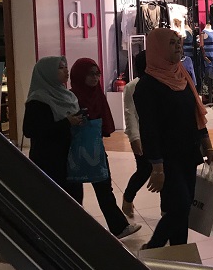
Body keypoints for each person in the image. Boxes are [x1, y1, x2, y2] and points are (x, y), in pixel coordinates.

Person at [134, 28, 213, 249]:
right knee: (179, 205)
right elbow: (148, 129)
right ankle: (154, 246)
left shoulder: (182, 76)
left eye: (178, 42)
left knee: (184, 206)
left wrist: (207, 146)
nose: (178, 46)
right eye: (172, 43)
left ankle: (179, 251)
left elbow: (195, 115)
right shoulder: (147, 86)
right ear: (157, 48)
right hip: (166, 158)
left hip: (189, 153)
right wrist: (157, 167)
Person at [69, 58, 141, 239]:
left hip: (94, 149)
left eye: (97, 73)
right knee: (74, 192)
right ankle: (74, 230)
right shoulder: (69, 97)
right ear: (80, 75)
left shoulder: (97, 94)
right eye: (90, 74)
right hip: (74, 151)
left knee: (104, 188)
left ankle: (118, 226)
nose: (95, 78)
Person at [23, 56, 86, 199]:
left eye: (66, 67)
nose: (66, 71)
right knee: (54, 201)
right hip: (49, 161)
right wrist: (67, 122)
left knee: (74, 201)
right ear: (47, 72)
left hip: (70, 157)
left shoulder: (68, 96)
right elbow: (30, 130)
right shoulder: (38, 99)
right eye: (60, 68)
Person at [121, 51, 153, 218]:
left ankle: (166, 209)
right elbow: (129, 113)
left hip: (159, 135)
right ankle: (128, 197)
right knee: (144, 170)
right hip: (141, 135)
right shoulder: (132, 86)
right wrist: (134, 138)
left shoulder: (160, 83)